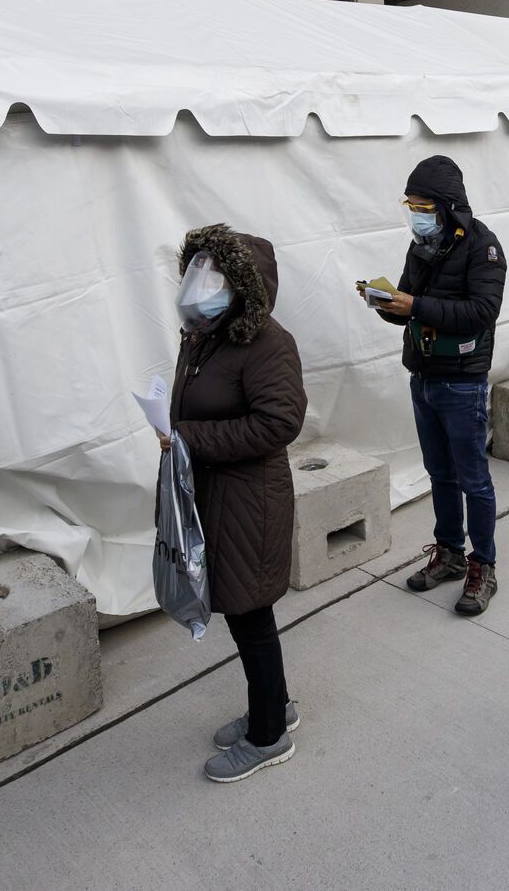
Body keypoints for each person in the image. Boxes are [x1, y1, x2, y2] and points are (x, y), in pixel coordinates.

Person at [167, 226, 308, 784]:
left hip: (252, 501)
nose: (198, 283)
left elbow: (280, 423)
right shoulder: (206, 333)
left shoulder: (269, 343)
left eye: (213, 273)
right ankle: (276, 707)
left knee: (250, 614)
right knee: (248, 613)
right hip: (217, 494)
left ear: (241, 286)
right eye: (195, 269)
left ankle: (268, 734)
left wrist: (190, 438)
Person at [376, 156, 507, 615]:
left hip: (463, 382)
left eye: (423, 206)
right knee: (440, 473)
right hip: (424, 376)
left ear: (448, 207)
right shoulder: (421, 246)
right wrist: (388, 303)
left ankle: (482, 565)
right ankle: (449, 553)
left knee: (474, 479)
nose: (415, 213)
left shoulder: (484, 248)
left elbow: (480, 312)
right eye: (410, 205)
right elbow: (413, 300)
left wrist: (415, 305)